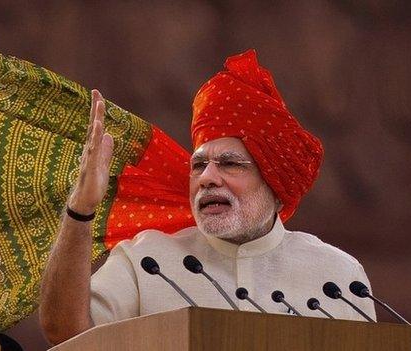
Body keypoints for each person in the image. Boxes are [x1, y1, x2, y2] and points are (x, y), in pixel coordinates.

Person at [39, 50, 376, 345]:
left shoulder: (337, 276)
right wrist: (80, 210)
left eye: (229, 164)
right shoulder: (147, 260)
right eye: (198, 165)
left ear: (274, 181)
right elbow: (67, 334)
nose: (207, 179)